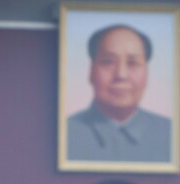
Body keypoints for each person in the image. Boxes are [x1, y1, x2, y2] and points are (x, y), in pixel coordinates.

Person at [67, 24, 172, 163]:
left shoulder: (170, 134)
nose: (121, 75)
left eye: (133, 63)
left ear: (147, 73)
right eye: (108, 62)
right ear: (91, 71)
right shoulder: (66, 133)